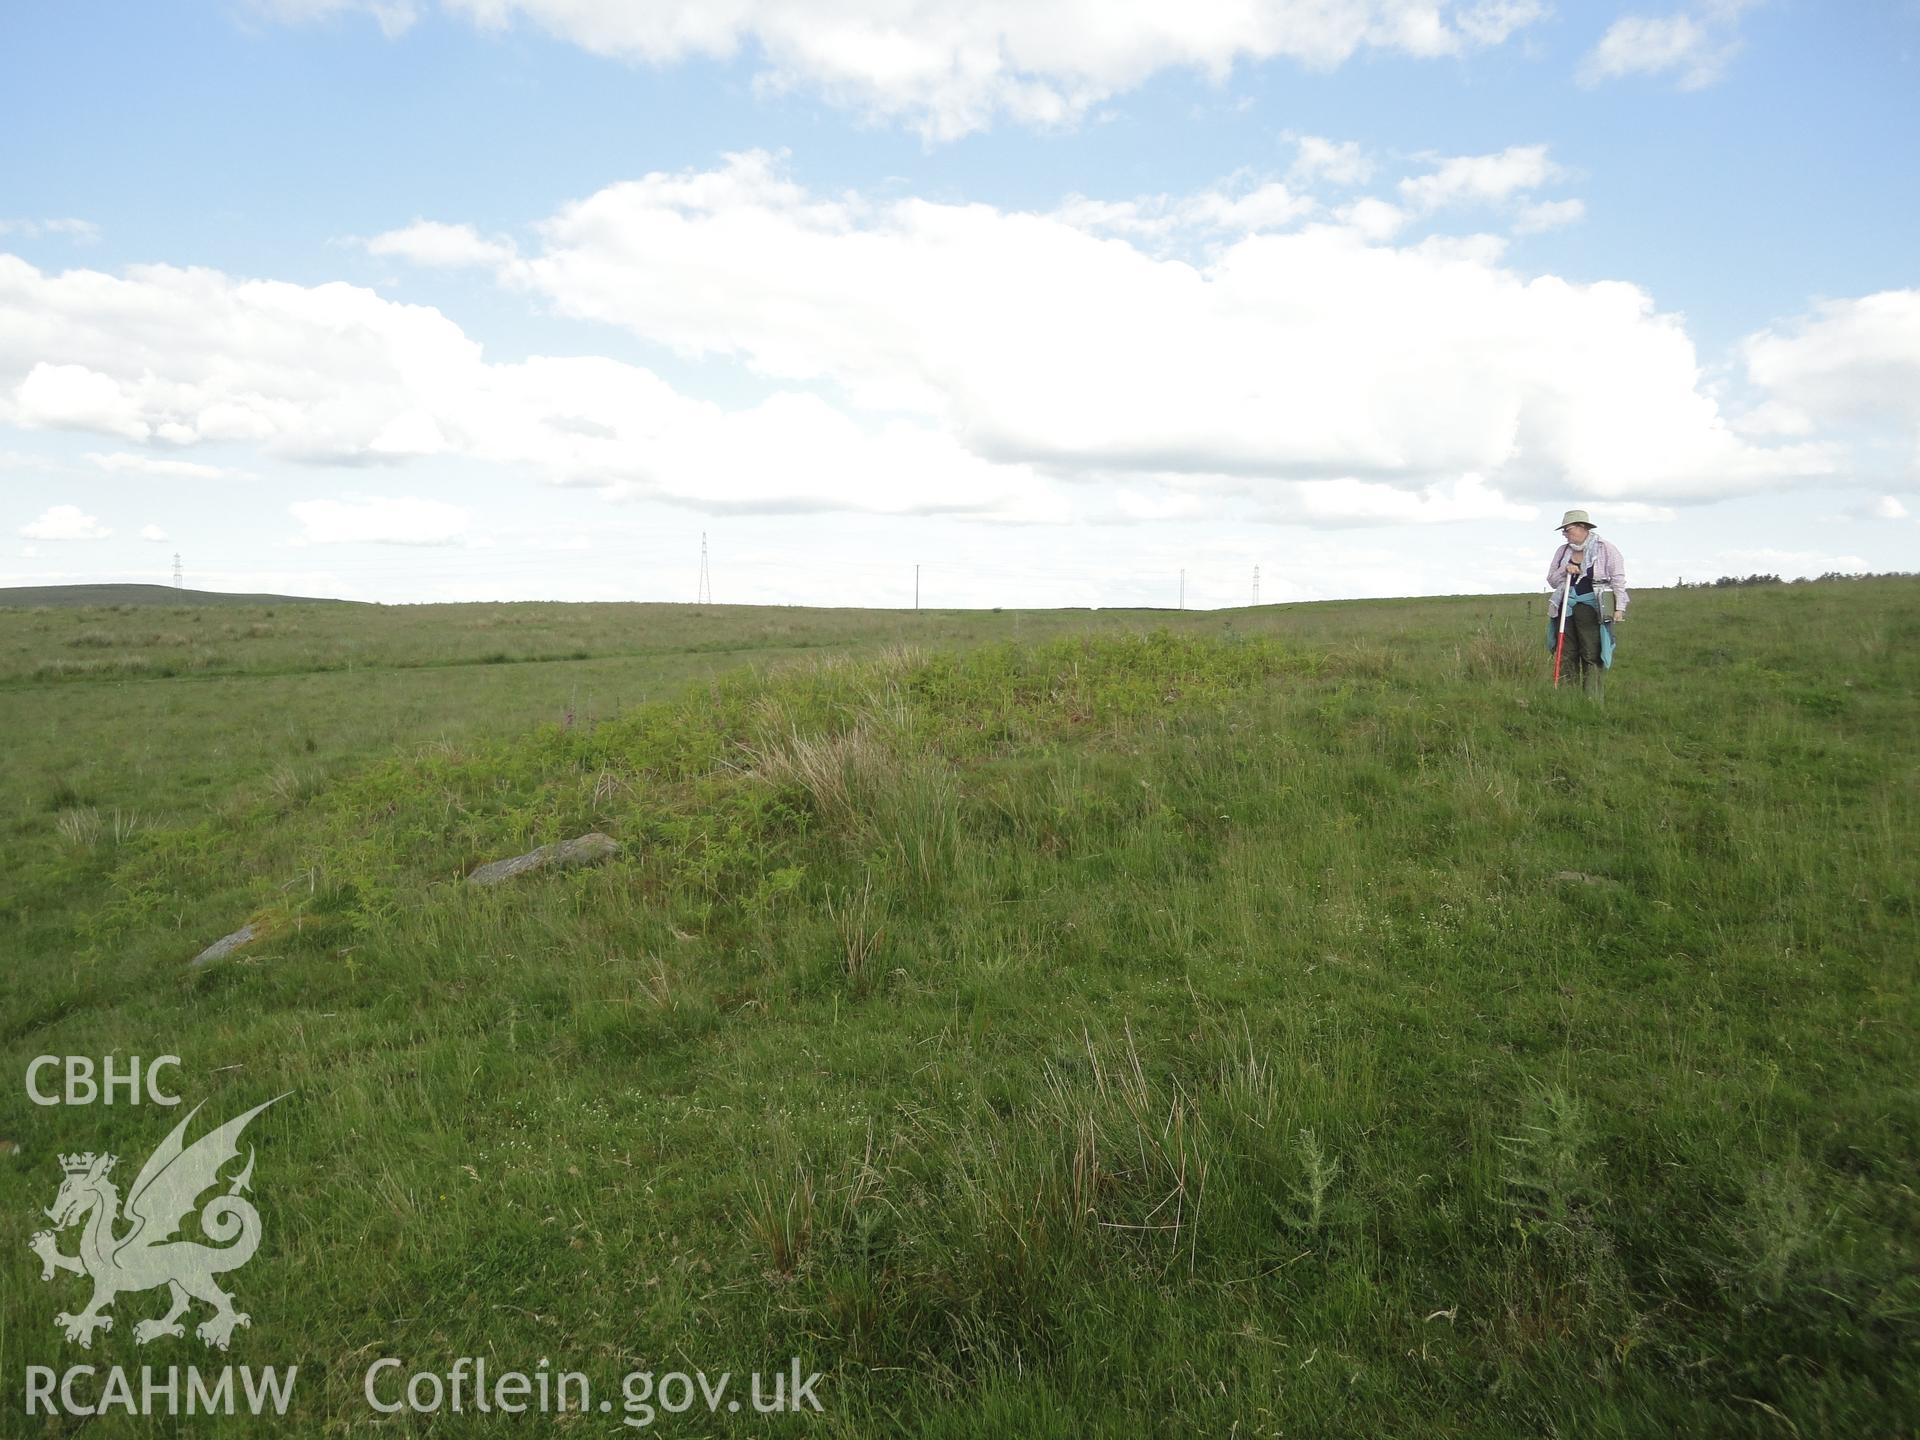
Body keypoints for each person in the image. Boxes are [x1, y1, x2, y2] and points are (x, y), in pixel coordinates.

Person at [1545, 509, 1628, 701]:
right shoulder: (1563, 551)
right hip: (1565, 607)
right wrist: (1565, 569)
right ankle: (1567, 699)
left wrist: (1619, 608)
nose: (1565, 534)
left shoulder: (1605, 548)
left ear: (1583, 527)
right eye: (1564, 531)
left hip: (1592, 608)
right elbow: (1551, 580)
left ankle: (1592, 700)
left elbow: (1618, 579)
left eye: (1568, 529)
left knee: (1591, 654)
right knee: (1566, 654)